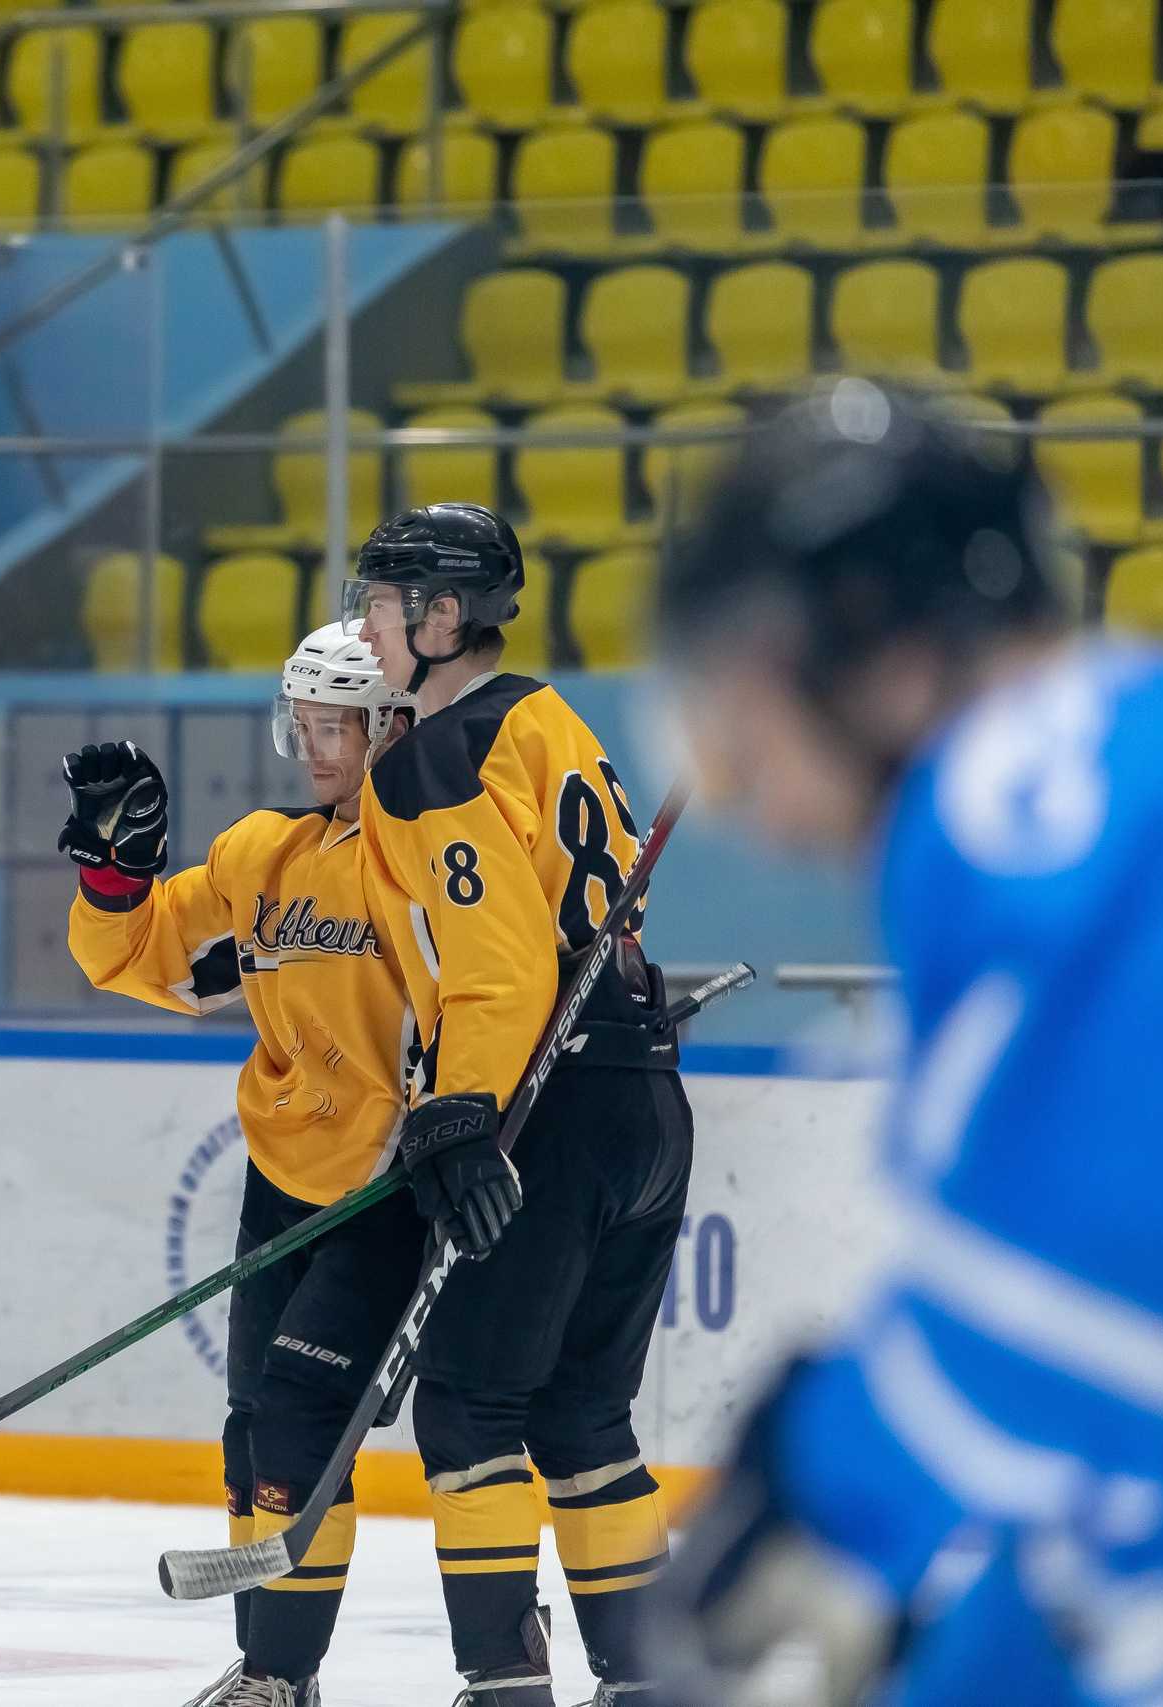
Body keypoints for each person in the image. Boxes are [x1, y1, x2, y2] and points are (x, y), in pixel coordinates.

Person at [645, 380, 1163, 1707]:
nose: (758, 811)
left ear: (865, 644)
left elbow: (1068, 1313)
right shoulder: (1162, 753)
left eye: (741, 723)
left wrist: (825, 1484)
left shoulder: (1051, 782)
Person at [347, 503, 695, 1707]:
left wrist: (459, 1110)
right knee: (584, 1412)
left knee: (468, 1406)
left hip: (539, 1105)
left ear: (441, 616)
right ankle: (644, 1683)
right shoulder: (545, 717)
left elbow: (495, 965)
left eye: (379, 606)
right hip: (640, 1096)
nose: (366, 629)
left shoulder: (433, 759)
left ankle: (501, 1684)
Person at [61, 623, 423, 1707]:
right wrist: (118, 877)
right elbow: (148, 962)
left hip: (392, 1185)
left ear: (390, 728)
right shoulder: (263, 853)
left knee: (302, 1426)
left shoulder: (429, 862)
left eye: (334, 727)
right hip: (284, 1175)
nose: (312, 748)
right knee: (252, 1433)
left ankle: (280, 1670)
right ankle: (271, 1673)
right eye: (301, 724)